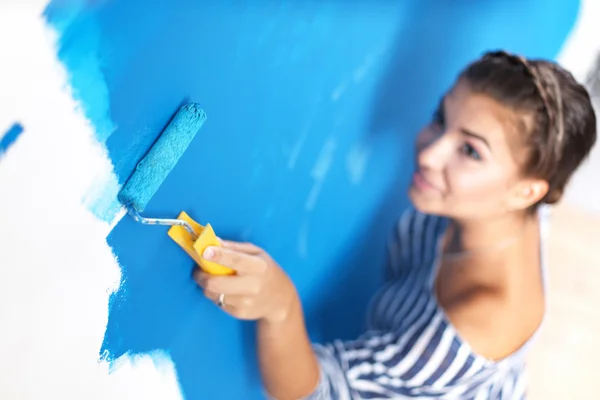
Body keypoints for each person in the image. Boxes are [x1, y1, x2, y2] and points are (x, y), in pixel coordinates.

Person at [193, 50, 597, 399]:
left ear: (527, 192)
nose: (429, 152)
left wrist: (280, 308)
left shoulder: (466, 329)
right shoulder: (519, 204)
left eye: (470, 151)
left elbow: (322, 394)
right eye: (441, 118)